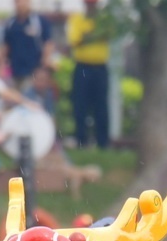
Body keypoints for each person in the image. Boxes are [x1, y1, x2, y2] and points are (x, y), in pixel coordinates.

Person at [66, 0, 112, 149]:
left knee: (101, 106)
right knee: (80, 105)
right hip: (82, 66)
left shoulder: (105, 20)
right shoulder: (77, 19)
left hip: (100, 66)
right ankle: (81, 140)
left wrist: (87, 36)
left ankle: (103, 143)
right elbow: (75, 40)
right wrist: (95, 35)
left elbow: (108, 33)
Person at [3, 0, 54, 89]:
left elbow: (48, 43)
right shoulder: (11, 23)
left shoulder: (38, 21)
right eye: (17, 2)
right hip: (15, 70)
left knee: (29, 98)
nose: (20, 4)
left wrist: (44, 63)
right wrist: (2, 65)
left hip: (33, 70)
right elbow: (6, 46)